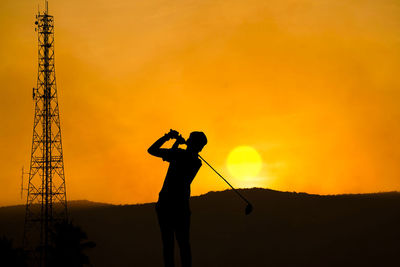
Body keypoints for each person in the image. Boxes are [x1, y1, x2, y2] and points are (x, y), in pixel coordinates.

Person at [148, 129, 207, 267]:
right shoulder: (196, 162)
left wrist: (168, 137)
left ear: (192, 142)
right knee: (184, 243)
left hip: (166, 204)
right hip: (181, 206)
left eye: (189, 138)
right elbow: (171, 158)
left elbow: (152, 150)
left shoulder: (180, 155)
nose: (187, 139)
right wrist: (176, 144)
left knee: (168, 244)